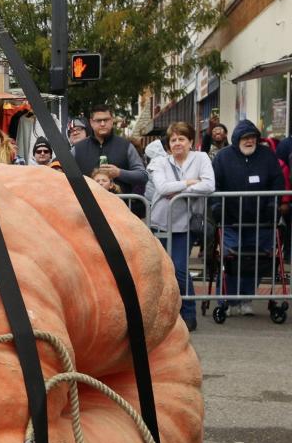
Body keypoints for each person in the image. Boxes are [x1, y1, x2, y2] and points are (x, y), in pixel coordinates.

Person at [211, 119, 286, 316]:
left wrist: (273, 206)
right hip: (231, 220)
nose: (249, 141)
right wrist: (218, 207)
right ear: (236, 139)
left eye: (252, 137)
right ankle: (226, 300)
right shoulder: (223, 157)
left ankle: (245, 299)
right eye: (245, 138)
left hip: (262, 222)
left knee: (255, 263)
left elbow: (278, 182)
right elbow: (214, 184)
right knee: (230, 262)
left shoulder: (267, 156)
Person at [148, 122, 215, 332]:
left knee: (179, 270)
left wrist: (177, 191)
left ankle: (188, 313)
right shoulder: (159, 162)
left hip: (185, 225)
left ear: (190, 142)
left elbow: (210, 185)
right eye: (174, 140)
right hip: (160, 222)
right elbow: (162, 187)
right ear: (169, 144)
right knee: (159, 271)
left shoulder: (201, 158)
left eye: (182, 139)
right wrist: (189, 183)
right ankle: (163, 314)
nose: (177, 143)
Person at [72, 105, 148, 193]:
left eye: (106, 120)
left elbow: (143, 176)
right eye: (98, 121)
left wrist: (119, 173)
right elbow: (58, 167)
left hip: (119, 204)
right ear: (91, 123)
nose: (103, 124)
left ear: (112, 121)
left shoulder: (126, 146)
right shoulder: (78, 149)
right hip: (86, 205)